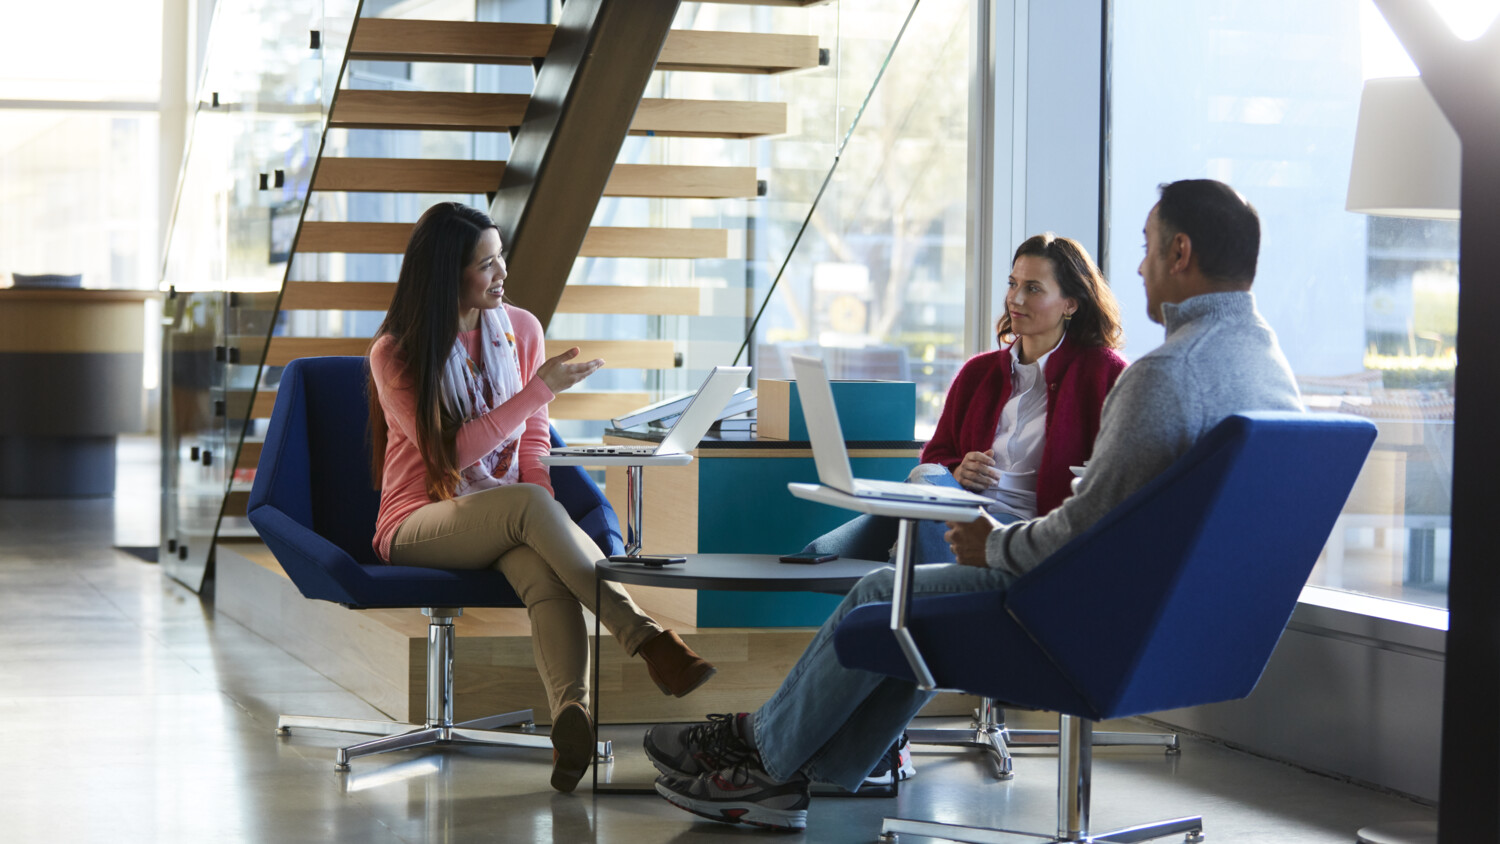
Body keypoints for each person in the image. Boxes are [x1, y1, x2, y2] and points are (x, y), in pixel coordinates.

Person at [644, 179, 1303, 832]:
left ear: (1180, 252)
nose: (1139, 265)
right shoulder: (1271, 372)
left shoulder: (1164, 376)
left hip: (1084, 613)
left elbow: (1082, 531)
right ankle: (792, 765)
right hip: (1180, 626)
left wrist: (992, 544)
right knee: (906, 580)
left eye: (1148, 246)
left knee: (885, 593)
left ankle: (763, 754)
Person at [366, 202, 715, 795]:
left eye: (501, 257)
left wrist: (543, 513)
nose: (502, 272)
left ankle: (569, 717)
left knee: (544, 568)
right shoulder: (396, 353)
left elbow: (533, 443)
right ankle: (646, 638)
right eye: (487, 264)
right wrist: (539, 391)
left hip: (500, 511)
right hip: (418, 517)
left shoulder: (521, 329)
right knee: (528, 508)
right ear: (449, 274)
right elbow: (449, 456)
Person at [797, 233, 1126, 786]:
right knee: (882, 518)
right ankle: (862, 749)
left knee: (892, 585)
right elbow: (937, 458)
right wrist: (960, 466)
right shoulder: (979, 373)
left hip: (1020, 542)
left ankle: (864, 743)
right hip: (949, 520)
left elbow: (1108, 484)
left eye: (1033, 288)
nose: (1015, 299)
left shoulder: (1105, 375)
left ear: (1072, 302)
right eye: (1012, 284)